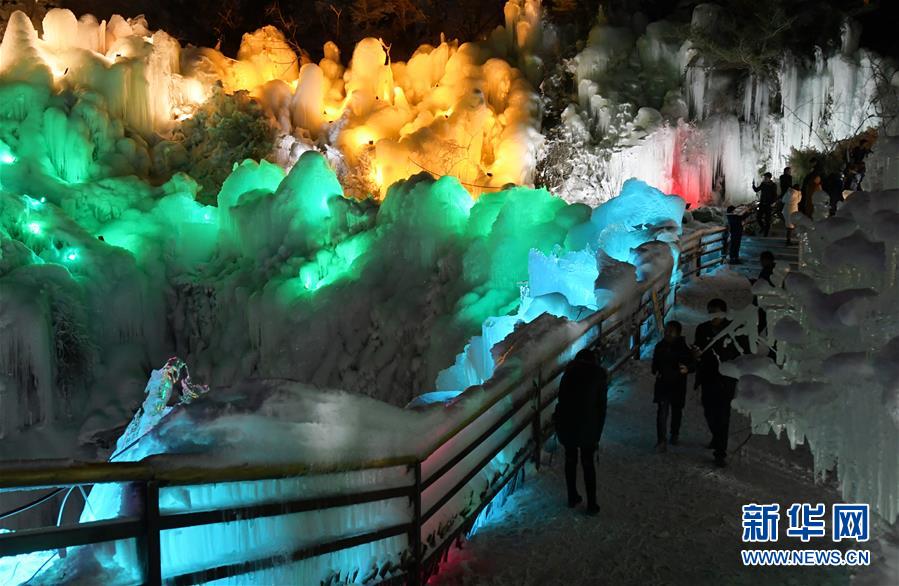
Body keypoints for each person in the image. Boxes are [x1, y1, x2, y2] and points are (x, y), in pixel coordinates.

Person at [693, 299, 747, 467]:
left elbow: (743, 351)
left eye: (715, 312)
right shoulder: (702, 329)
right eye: (710, 312)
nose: (713, 316)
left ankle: (720, 452)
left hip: (726, 379)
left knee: (723, 414)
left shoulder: (734, 329)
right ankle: (717, 437)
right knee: (709, 411)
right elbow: (698, 348)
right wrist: (696, 355)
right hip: (708, 376)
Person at [554, 348, 608, 515]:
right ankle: (592, 503)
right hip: (588, 425)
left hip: (568, 423)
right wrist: (597, 433)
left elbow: (561, 398)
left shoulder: (568, 373)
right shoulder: (599, 375)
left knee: (570, 460)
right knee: (588, 463)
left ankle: (572, 496)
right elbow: (601, 406)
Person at [651, 321, 694, 452]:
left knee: (676, 411)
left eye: (671, 331)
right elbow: (654, 364)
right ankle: (661, 440)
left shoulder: (684, 348)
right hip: (663, 384)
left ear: (678, 333)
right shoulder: (660, 346)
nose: (667, 333)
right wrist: (655, 370)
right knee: (662, 413)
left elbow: (692, 364)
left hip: (677, 385)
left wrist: (687, 369)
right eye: (666, 330)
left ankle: (674, 433)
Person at [751, 172, 778, 236]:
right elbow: (756, 190)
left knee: (767, 220)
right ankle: (763, 227)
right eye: (764, 177)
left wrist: (773, 202)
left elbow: (775, 195)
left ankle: (766, 233)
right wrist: (753, 185)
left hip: (769, 204)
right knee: (758, 217)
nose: (764, 178)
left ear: (769, 178)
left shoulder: (773, 185)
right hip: (762, 204)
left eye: (766, 177)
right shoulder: (763, 184)